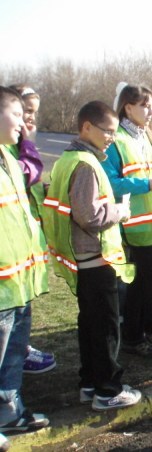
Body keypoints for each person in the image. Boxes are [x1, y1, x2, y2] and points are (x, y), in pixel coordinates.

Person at [43, 101, 141, 411]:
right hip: (95, 259)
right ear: (87, 127)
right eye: (108, 132)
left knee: (90, 325)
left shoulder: (68, 159)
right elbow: (89, 216)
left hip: (83, 259)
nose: (111, 138)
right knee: (105, 328)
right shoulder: (85, 164)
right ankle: (107, 390)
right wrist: (121, 211)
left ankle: (89, 384)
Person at [102, 83, 152, 359]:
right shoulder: (116, 139)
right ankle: (138, 335)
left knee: (145, 282)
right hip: (129, 225)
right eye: (145, 105)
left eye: (151, 106)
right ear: (127, 106)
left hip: (147, 223)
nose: (151, 111)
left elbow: (148, 176)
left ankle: (148, 330)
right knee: (145, 282)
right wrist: (149, 184)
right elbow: (110, 183)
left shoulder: (144, 136)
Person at [0, 86, 50, 443]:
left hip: (19, 280)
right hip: (3, 284)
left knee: (12, 356)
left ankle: (9, 413)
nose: (24, 122)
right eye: (17, 114)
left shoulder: (8, 158)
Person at [5, 85, 57, 376]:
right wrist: (29, 143)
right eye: (25, 112)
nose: (30, 119)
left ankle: (20, 348)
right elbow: (27, 172)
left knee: (22, 307)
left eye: (34, 113)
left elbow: (29, 184)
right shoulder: (14, 145)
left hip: (24, 240)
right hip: (9, 246)